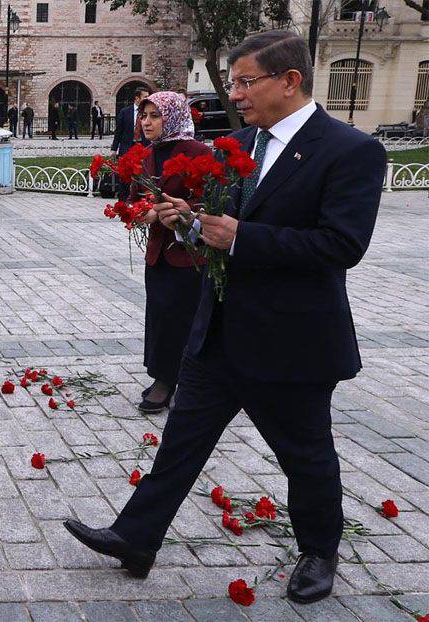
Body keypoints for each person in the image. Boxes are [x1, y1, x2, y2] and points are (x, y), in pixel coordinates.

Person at [64, 30, 386, 606]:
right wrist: (186, 220)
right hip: (219, 331)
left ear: (290, 81)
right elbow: (221, 229)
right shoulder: (240, 145)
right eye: (233, 82)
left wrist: (243, 237)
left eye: (245, 82)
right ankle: (136, 538)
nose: (234, 94)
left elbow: (341, 245)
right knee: (180, 442)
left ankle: (318, 552)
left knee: (305, 456)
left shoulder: (350, 150)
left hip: (291, 340)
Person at [131, 92, 212, 414]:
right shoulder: (147, 154)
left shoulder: (196, 151)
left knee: (188, 318)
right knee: (161, 315)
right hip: (159, 252)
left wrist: (184, 213)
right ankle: (162, 375)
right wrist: (140, 211)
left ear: (173, 116)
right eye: (144, 116)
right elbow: (135, 196)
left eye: (154, 116)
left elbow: (214, 199)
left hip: (191, 252)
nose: (147, 122)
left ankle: (185, 380)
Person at [110, 86, 151, 198]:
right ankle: (123, 199)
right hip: (127, 146)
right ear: (137, 98)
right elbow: (118, 131)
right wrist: (114, 149)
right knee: (124, 175)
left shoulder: (148, 113)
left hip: (143, 146)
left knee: (143, 173)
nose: (147, 99)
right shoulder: (125, 112)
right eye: (145, 97)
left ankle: (140, 199)